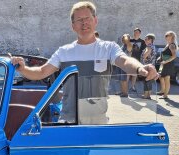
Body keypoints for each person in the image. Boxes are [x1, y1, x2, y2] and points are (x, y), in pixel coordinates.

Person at [11, 1, 158, 124]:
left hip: (98, 123)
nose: (84, 23)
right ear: (73, 26)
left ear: (95, 20)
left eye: (87, 18)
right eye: (79, 20)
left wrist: (140, 68)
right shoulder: (64, 51)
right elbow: (42, 72)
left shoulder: (108, 48)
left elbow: (125, 61)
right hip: (68, 122)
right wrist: (23, 69)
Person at [157, 31, 177, 99]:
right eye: (165, 35)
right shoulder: (168, 44)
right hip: (163, 64)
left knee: (166, 79)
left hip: (168, 64)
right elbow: (165, 54)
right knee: (160, 76)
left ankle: (165, 95)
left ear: (172, 36)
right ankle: (162, 90)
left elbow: (174, 56)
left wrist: (165, 61)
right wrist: (160, 58)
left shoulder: (172, 45)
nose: (166, 36)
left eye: (167, 35)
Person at [129, 28, 146, 92]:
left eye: (137, 32)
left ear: (140, 34)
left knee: (134, 74)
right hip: (129, 59)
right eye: (135, 32)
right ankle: (125, 87)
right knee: (127, 74)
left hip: (137, 60)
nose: (136, 33)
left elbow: (143, 51)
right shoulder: (130, 40)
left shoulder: (142, 41)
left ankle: (132, 86)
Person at [140, 33, 157, 99]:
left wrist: (144, 56)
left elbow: (145, 55)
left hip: (147, 67)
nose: (145, 40)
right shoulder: (153, 46)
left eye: (146, 39)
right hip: (151, 66)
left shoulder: (149, 46)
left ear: (150, 40)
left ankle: (145, 95)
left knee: (146, 80)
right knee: (149, 81)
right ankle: (148, 95)